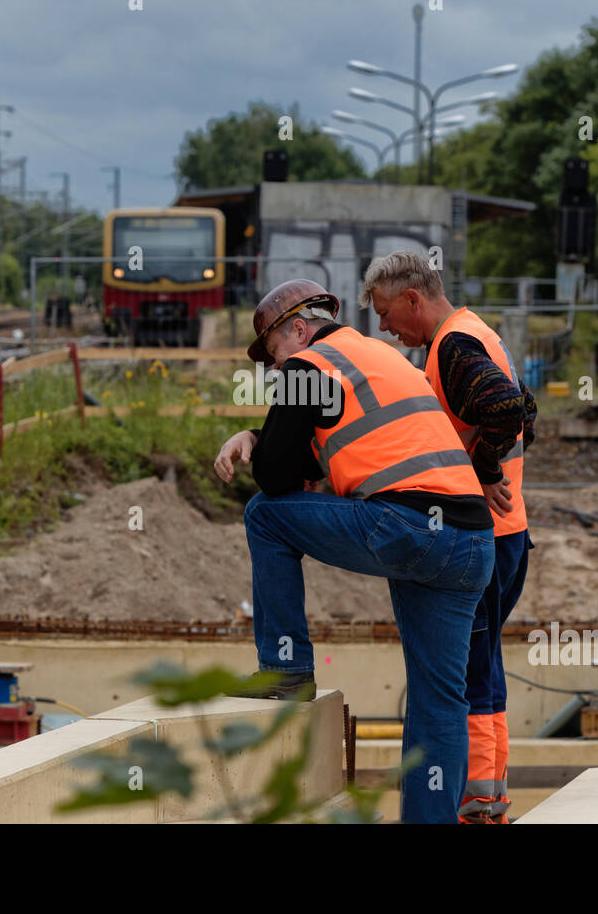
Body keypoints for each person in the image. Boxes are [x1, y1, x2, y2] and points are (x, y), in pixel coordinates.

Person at [213, 278, 495, 824]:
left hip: (410, 528)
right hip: (469, 543)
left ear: (297, 329)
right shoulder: (380, 357)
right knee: (440, 704)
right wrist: (258, 433)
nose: (274, 370)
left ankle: (285, 669)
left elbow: (274, 478)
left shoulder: (308, 365)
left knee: (264, 517)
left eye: (272, 354)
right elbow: (332, 452)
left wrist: (254, 441)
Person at [361, 251, 537, 824]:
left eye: (387, 314)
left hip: (482, 537)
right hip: (509, 536)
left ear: (414, 299)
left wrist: (483, 470)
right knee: (484, 664)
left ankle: (478, 804)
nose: (384, 328)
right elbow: (526, 411)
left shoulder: (453, 347)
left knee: (471, 675)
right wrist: (490, 458)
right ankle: (489, 798)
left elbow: (508, 409)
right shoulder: (477, 332)